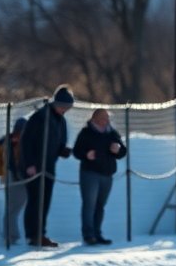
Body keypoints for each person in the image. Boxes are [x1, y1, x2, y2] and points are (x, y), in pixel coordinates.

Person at [21, 84, 74, 247]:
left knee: (45, 201)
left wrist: (63, 151)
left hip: (49, 167)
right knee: (35, 200)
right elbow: (26, 142)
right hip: (34, 168)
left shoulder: (61, 121)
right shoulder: (40, 116)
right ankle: (33, 235)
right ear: (55, 102)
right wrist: (29, 164)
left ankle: (40, 233)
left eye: (67, 107)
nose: (64, 110)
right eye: (62, 106)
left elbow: (58, 143)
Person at [72, 108, 126, 245]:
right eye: (103, 118)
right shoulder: (86, 133)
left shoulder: (112, 133)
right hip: (90, 174)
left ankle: (97, 233)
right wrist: (86, 155)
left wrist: (118, 149)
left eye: (107, 118)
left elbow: (123, 151)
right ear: (94, 119)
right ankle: (88, 235)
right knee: (89, 205)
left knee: (100, 205)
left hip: (107, 175)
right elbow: (76, 151)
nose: (106, 121)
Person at [0, 117, 28, 245]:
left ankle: (10, 234)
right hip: (11, 176)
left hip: (22, 176)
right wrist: (1, 173)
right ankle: (11, 235)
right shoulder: (5, 142)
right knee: (12, 208)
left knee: (14, 207)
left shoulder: (28, 141)